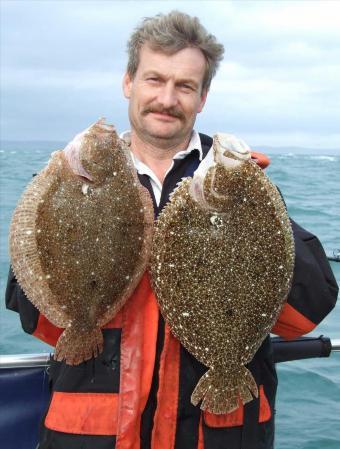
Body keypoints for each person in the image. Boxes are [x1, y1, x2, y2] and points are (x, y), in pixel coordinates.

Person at [6, 11, 338, 449]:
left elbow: (306, 315)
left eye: (184, 86)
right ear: (129, 82)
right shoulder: (67, 186)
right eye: (154, 79)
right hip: (94, 432)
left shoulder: (246, 190)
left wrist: (257, 207)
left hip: (217, 432)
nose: (166, 98)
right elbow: (33, 313)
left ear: (202, 98)